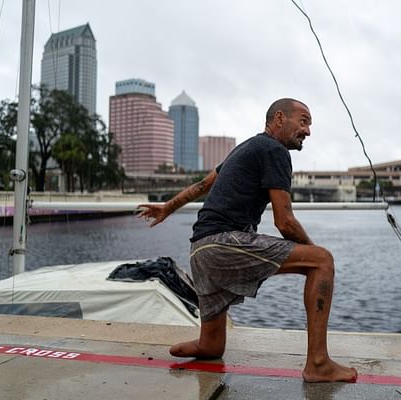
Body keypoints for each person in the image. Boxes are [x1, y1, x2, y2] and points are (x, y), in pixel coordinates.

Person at [138, 98, 358, 383]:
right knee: (323, 261)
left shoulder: (245, 148)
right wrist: (315, 253)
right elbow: (285, 221)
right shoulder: (274, 150)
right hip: (223, 244)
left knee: (213, 347)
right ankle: (318, 363)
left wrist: (169, 207)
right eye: (303, 121)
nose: (308, 131)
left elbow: (203, 186)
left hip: (200, 250)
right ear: (279, 118)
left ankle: (203, 344)